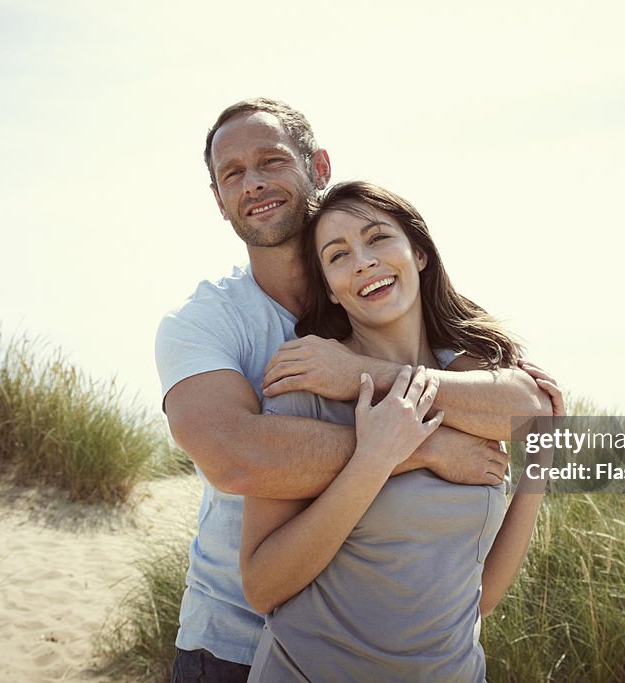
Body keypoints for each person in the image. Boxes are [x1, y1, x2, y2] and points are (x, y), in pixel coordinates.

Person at [155, 98, 555, 681]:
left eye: (271, 161)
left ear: (318, 166)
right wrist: (422, 447)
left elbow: (533, 414)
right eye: (233, 173)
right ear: (219, 199)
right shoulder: (207, 323)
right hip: (234, 643)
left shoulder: (417, 339)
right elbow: (237, 461)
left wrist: (374, 383)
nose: (255, 183)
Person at [242, 181, 563, 681]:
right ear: (329, 286)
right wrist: (375, 460)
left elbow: (474, 601)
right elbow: (262, 587)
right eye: (338, 255)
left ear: (418, 253)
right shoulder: (307, 384)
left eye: (377, 238)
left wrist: (539, 471)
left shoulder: (470, 390)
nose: (364, 261)